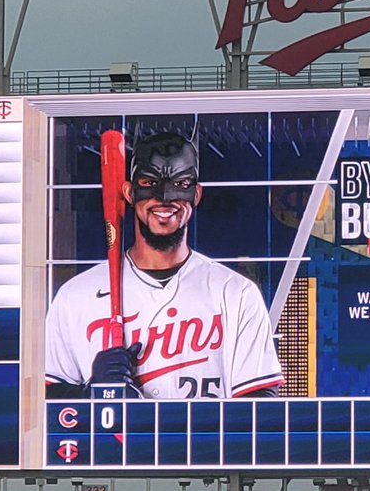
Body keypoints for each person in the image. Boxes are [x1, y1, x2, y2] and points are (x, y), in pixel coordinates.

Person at [45, 131, 284, 400]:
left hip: (202, 442)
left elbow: (261, 404)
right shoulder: (75, 296)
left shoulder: (236, 293)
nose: (165, 198)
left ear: (196, 195)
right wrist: (92, 395)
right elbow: (46, 403)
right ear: (128, 192)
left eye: (181, 184)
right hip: (113, 442)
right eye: (149, 182)